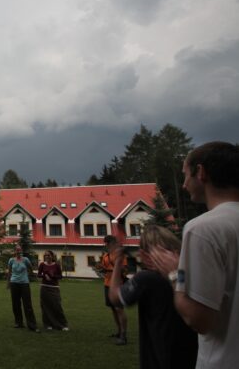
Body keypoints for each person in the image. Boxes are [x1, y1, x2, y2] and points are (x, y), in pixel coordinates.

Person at [150, 142, 239, 369]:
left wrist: (173, 273)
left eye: (185, 175)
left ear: (201, 172)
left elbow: (199, 319)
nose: (183, 184)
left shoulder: (204, 229)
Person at [108, 224, 197, 369]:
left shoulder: (146, 279)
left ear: (145, 255)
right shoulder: (188, 274)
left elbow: (115, 298)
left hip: (158, 360)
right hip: (193, 358)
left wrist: (118, 261)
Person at [98, 235, 128, 345]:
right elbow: (105, 267)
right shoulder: (106, 255)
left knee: (119, 309)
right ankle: (119, 331)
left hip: (118, 284)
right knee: (113, 309)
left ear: (111, 243)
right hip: (107, 283)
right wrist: (102, 268)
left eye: (106, 243)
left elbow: (123, 269)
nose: (105, 245)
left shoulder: (119, 255)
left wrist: (111, 269)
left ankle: (124, 335)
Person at [6, 245, 39, 332]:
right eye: (17, 250)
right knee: (15, 304)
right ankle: (18, 323)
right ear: (14, 251)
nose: (18, 251)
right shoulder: (11, 260)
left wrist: (28, 275)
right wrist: (8, 283)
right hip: (14, 283)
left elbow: (31, 269)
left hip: (24, 283)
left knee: (27, 305)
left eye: (20, 250)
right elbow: (9, 272)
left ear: (21, 251)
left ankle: (32, 325)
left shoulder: (26, 260)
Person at [38, 250, 69, 331]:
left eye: (48, 255)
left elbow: (60, 276)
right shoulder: (42, 264)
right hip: (44, 288)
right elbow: (38, 275)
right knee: (45, 307)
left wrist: (52, 276)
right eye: (45, 255)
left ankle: (62, 325)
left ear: (52, 256)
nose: (47, 257)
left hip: (54, 288)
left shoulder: (56, 265)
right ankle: (48, 324)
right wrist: (44, 276)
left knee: (57, 306)